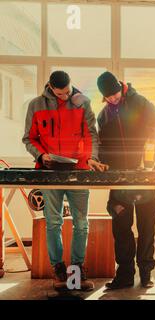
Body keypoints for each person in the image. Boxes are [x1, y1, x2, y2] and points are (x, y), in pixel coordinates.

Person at [23, 71, 108, 291]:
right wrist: (41, 155)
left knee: (81, 223)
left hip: (79, 172)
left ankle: (77, 270)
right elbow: (29, 138)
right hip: (50, 173)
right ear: (51, 87)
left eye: (68, 91)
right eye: (61, 93)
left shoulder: (82, 103)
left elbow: (91, 135)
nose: (65, 96)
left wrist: (92, 158)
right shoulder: (36, 105)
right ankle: (59, 270)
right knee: (53, 222)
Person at [96, 71, 155, 289]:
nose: (112, 100)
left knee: (147, 226)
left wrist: (151, 142)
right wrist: (100, 162)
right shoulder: (103, 116)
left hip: (145, 175)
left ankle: (146, 274)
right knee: (121, 228)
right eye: (108, 98)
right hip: (119, 180)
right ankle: (125, 275)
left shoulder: (141, 103)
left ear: (121, 87)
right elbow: (102, 145)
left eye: (115, 95)